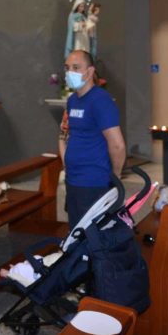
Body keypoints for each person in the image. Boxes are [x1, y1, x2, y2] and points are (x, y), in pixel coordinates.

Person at [61, 50, 125, 227]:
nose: (70, 72)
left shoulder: (101, 100)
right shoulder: (72, 101)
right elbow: (70, 136)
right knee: (75, 232)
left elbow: (117, 145)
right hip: (73, 179)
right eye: (67, 68)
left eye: (76, 67)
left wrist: (116, 176)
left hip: (93, 181)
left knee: (92, 234)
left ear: (90, 72)